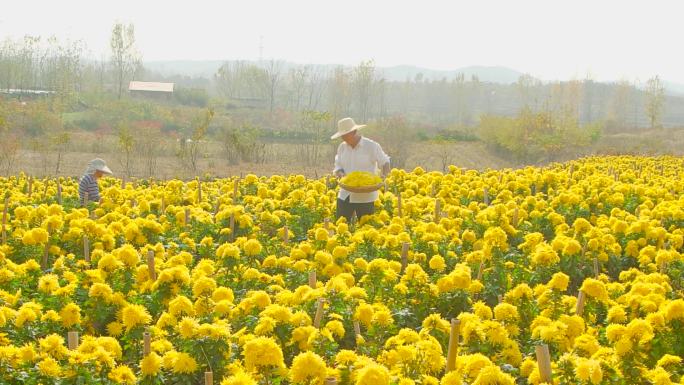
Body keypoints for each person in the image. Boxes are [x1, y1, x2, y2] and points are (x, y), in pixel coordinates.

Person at [332, 117, 390, 222]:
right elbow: (338, 167)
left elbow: (385, 162)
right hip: (345, 194)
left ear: (354, 131)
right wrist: (340, 174)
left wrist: (384, 175)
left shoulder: (371, 146)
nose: (343, 138)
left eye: (345, 135)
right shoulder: (342, 147)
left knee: (366, 229)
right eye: (342, 136)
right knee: (340, 225)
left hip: (365, 196)